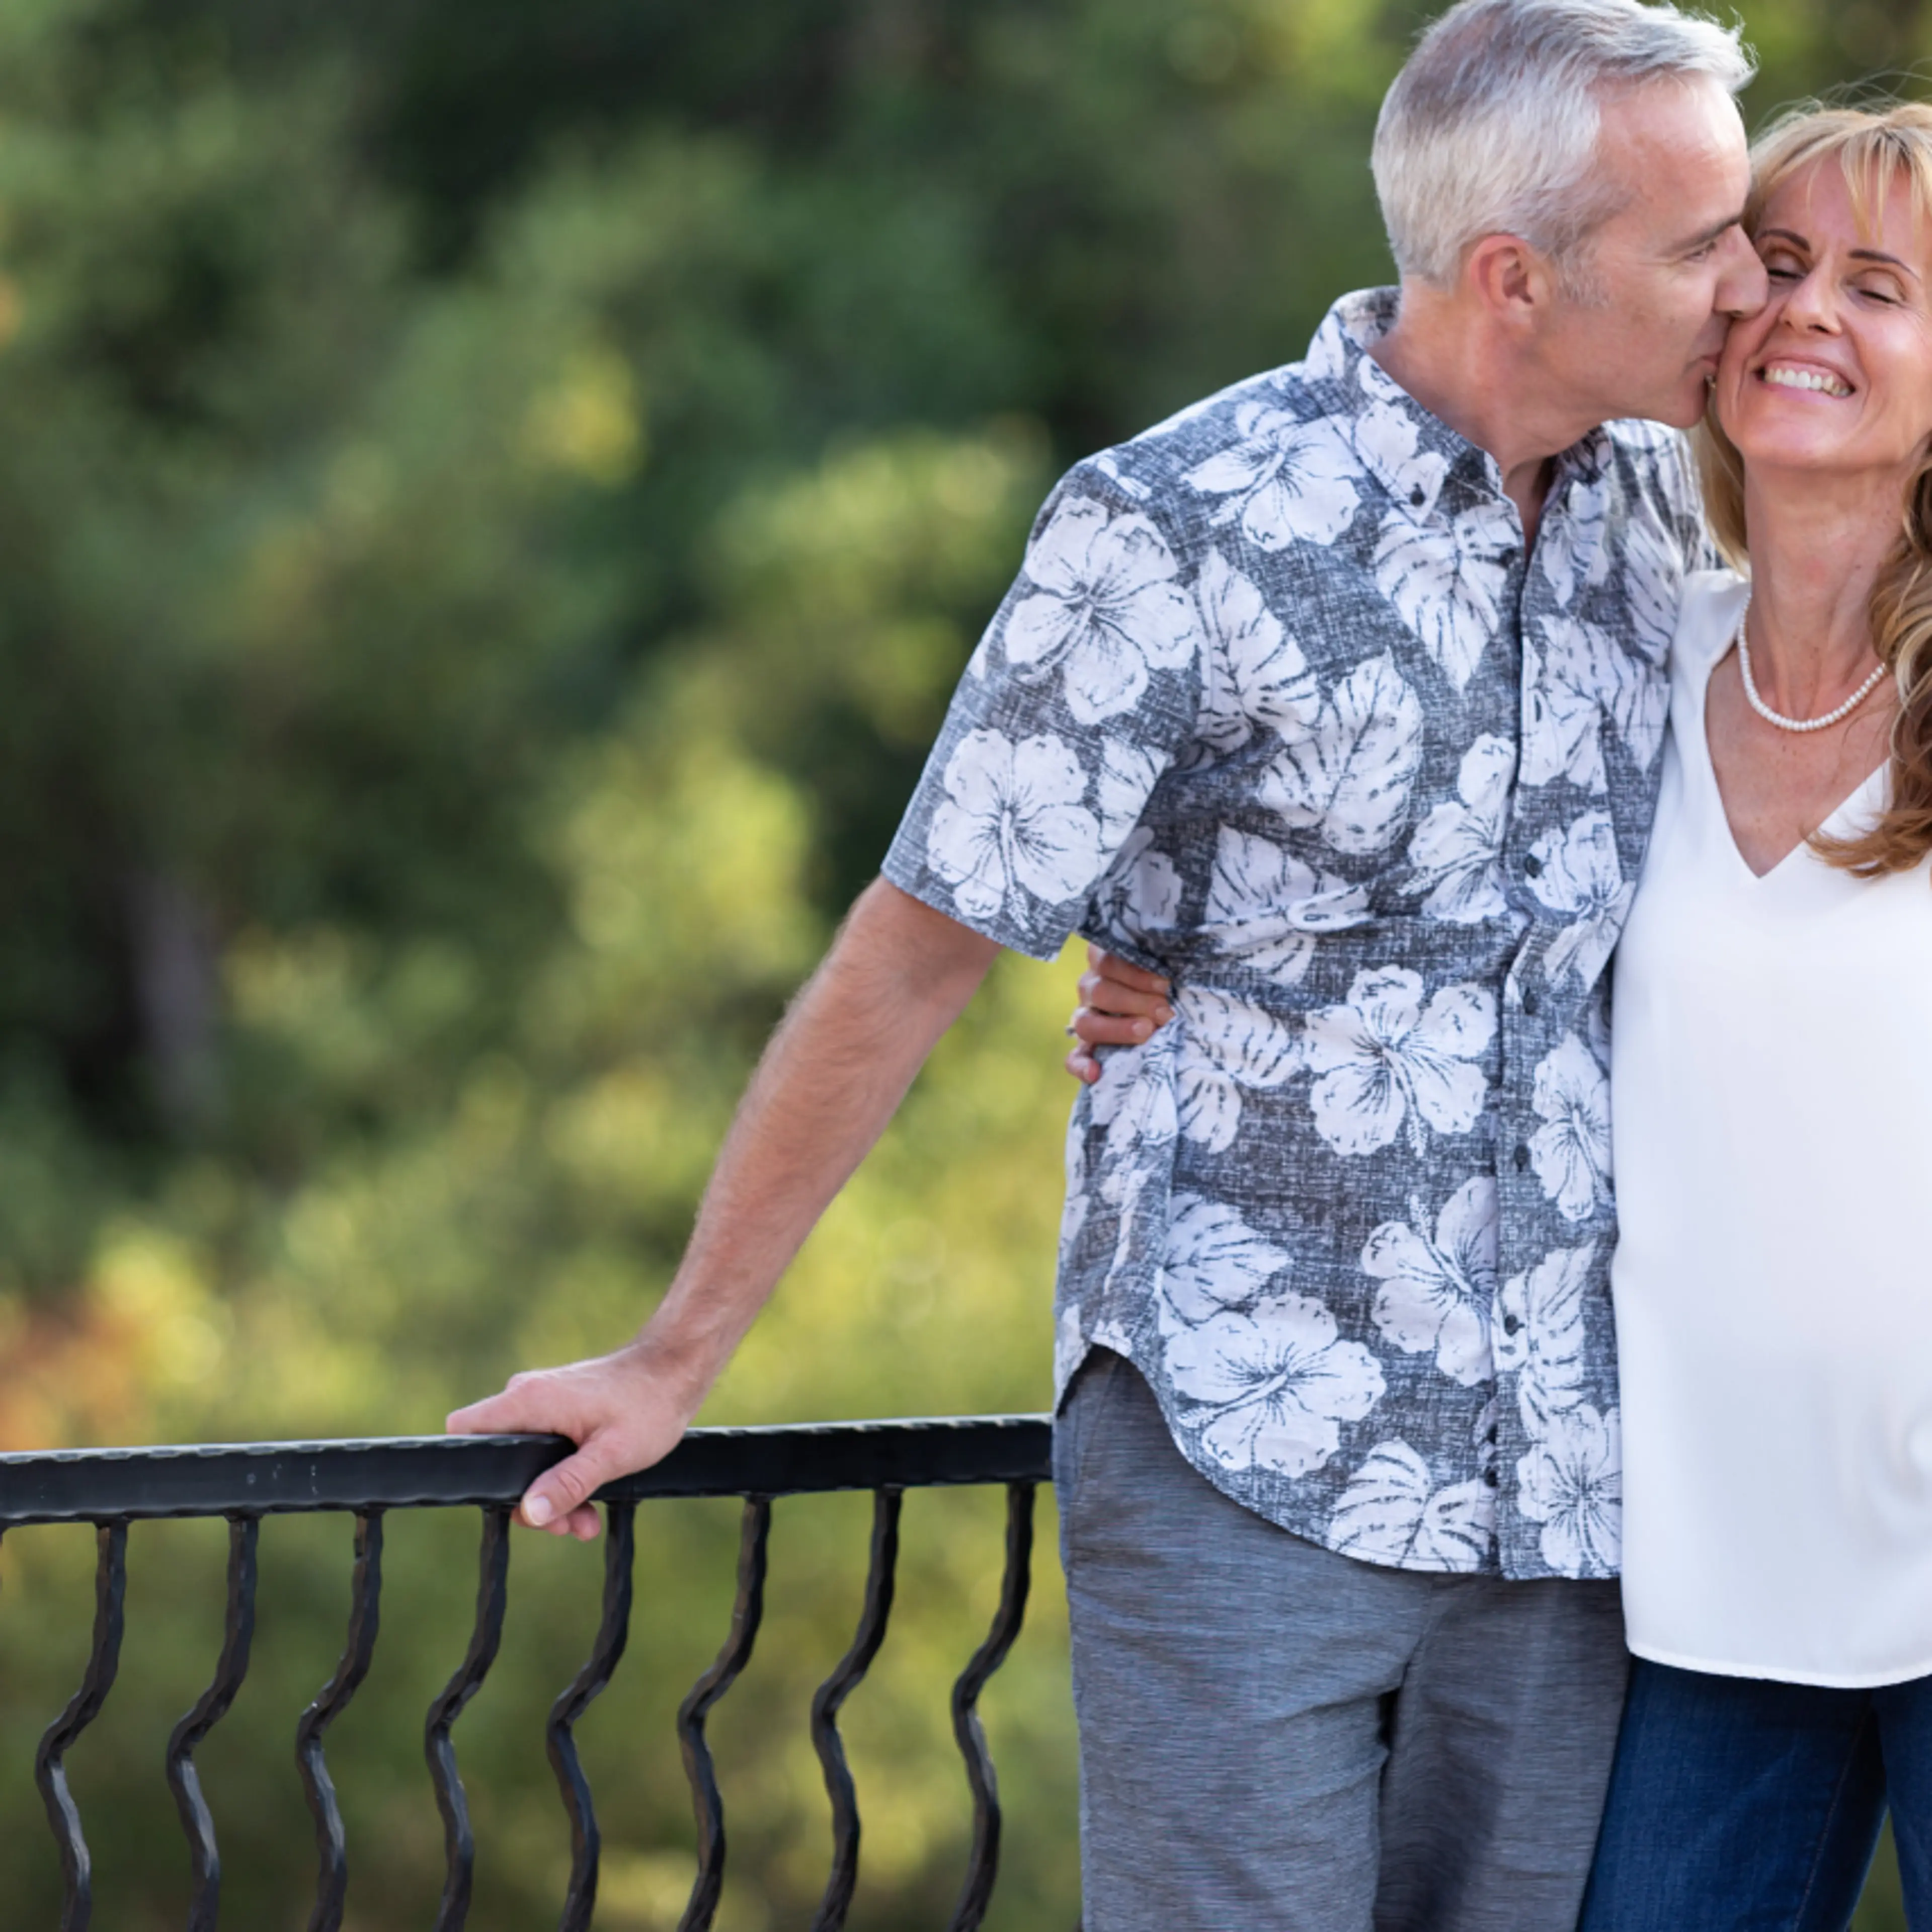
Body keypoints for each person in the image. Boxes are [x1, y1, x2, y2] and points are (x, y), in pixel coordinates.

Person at [447, 3, 1766, 1925]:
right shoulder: (1177, 530)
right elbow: (913, 956)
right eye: (1699, 245)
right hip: (1250, 1464)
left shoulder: (1669, 511)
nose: (1746, 288)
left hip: (1577, 1496)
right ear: (1515, 277)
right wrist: (674, 1358)